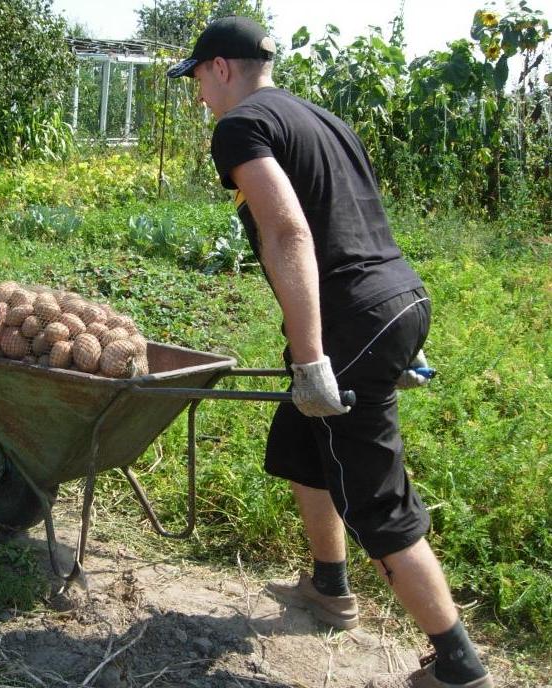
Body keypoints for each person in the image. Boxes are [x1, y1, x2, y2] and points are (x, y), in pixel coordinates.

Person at [167, 16, 492, 688]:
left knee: (375, 498)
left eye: (197, 78)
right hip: (397, 298)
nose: (198, 93)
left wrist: (314, 358)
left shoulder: (240, 127)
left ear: (220, 67)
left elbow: (286, 228)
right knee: (300, 442)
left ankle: (457, 663)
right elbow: (355, 216)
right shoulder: (320, 118)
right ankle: (329, 586)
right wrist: (380, 334)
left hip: (348, 321)